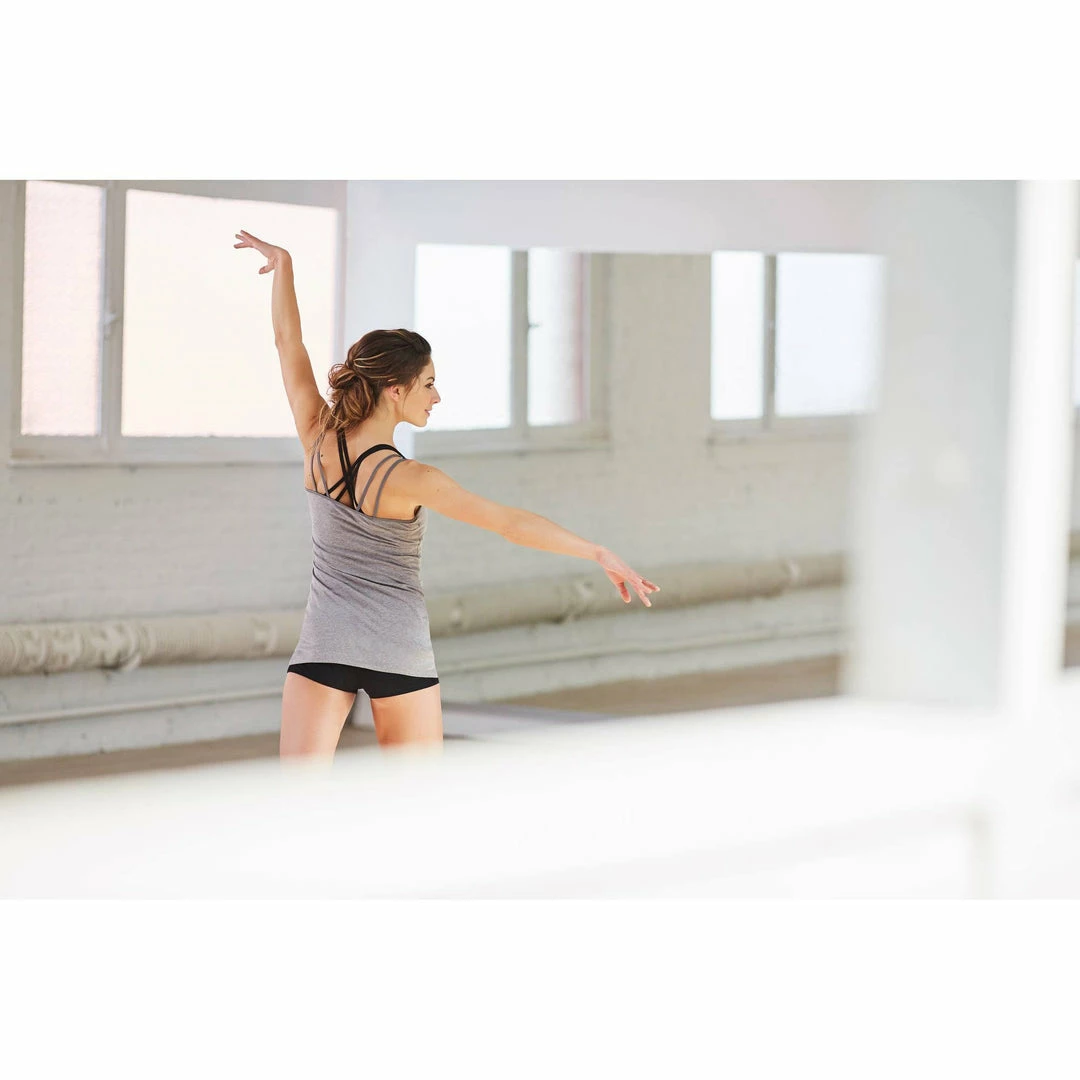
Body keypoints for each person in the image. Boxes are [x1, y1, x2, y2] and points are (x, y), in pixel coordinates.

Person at [234, 229, 660, 761]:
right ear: (396, 389)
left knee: (299, 795)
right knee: (416, 800)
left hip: (324, 646)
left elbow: (288, 343)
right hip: (398, 649)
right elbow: (508, 523)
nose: (437, 396)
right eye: (429, 383)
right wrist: (596, 551)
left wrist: (285, 266)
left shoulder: (316, 437)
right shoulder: (412, 478)